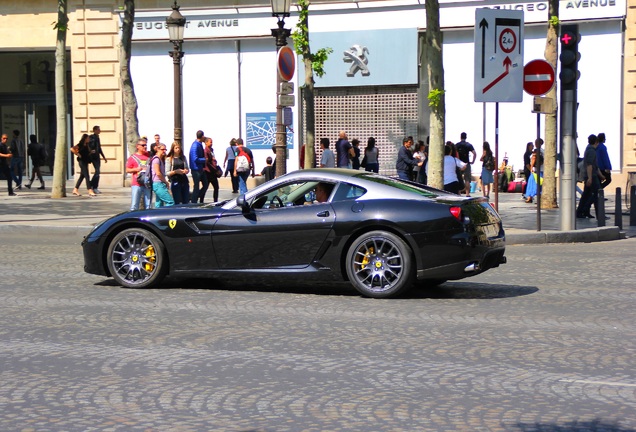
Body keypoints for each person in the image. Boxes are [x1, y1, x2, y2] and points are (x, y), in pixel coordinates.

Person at [577, 134, 605, 219]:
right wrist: (590, 178)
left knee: (586, 195)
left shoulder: (589, 149)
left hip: (592, 175)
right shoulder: (591, 151)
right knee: (598, 194)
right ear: (596, 142)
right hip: (592, 176)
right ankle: (599, 215)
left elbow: (595, 166)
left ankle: (579, 212)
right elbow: (590, 166)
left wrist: (601, 175)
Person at [126, 138, 151, 210]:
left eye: (146, 145)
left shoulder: (149, 156)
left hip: (147, 183)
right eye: (143, 145)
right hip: (136, 184)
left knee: (148, 205)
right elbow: (127, 170)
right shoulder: (132, 157)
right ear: (137, 146)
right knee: (134, 205)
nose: (145, 147)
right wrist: (136, 169)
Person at [151, 143, 174, 208]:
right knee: (170, 202)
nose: (164, 151)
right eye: (162, 149)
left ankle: (158, 216)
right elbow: (158, 173)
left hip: (159, 183)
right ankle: (167, 216)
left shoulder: (160, 159)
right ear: (158, 149)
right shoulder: (156, 159)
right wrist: (165, 182)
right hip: (158, 184)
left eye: (165, 149)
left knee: (159, 204)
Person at [88, 125, 107, 194]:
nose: (100, 131)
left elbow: (99, 148)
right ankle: (93, 186)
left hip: (97, 157)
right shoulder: (92, 137)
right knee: (97, 172)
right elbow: (89, 146)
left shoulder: (97, 138)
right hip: (93, 157)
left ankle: (92, 185)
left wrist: (103, 157)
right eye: (98, 129)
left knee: (97, 172)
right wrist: (91, 151)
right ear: (95, 130)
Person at [455, 132, 476, 197]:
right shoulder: (469, 145)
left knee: (459, 178)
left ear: (460, 137)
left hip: (459, 164)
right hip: (467, 163)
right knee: (467, 179)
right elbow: (474, 153)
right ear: (466, 137)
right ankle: (467, 193)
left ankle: (459, 193)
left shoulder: (457, 145)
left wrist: (458, 161)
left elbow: (456, 154)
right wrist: (472, 161)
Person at [525, 138, 545, 203]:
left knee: (532, 184)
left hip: (536, 171)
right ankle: (539, 198)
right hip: (542, 170)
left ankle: (529, 197)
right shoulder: (543, 151)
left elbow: (533, 159)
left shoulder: (535, 151)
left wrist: (531, 169)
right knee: (540, 185)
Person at [189, 130, 206, 203]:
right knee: (196, 186)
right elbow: (195, 158)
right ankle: (194, 200)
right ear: (202, 136)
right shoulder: (195, 145)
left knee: (205, 184)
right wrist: (204, 160)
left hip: (200, 168)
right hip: (196, 169)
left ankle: (196, 196)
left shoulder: (199, 144)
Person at [202, 137, 220, 203]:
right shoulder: (205, 151)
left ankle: (215, 201)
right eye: (210, 142)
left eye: (212, 142)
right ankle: (201, 199)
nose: (211, 143)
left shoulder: (211, 150)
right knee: (205, 187)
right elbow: (207, 162)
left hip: (213, 172)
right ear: (206, 143)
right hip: (208, 172)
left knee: (216, 187)